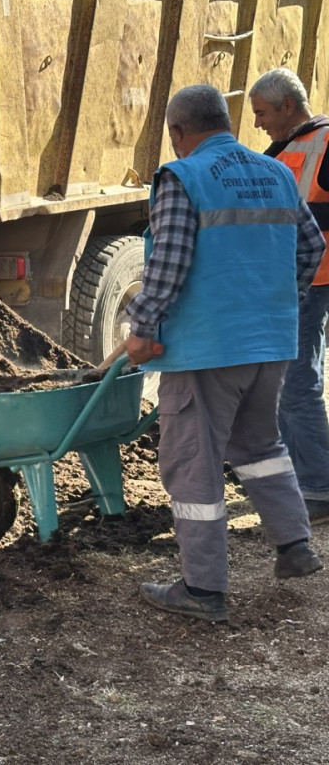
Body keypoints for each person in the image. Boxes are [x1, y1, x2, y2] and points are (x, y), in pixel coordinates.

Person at [126, 84, 325, 623]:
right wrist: (276, 300)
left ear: (178, 132)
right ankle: (294, 547)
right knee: (260, 444)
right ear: (227, 123)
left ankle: (203, 588)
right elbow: (311, 248)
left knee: (193, 461)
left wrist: (141, 325)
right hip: (271, 341)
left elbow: (167, 262)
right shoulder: (277, 171)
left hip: (207, 348)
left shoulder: (183, 176)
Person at [249, 68, 329, 525]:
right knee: (288, 383)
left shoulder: (322, 140)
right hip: (296, 278)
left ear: (286, 106)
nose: (258, 122)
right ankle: (305, 477)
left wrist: (294, 212)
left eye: (261, 113)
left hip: (312, 278)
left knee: (296, 385)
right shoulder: (286, 147)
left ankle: (318, 486)